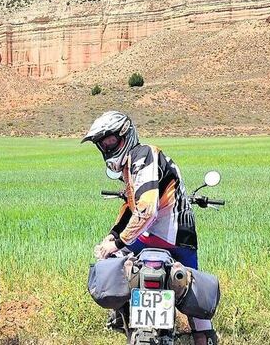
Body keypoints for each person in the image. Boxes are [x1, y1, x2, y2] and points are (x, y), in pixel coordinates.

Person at [81, 111, 218, 345]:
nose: (107, 147)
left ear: (126, 135)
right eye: (103, 143)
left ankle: (119, 315)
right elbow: (131, 206)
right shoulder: (133, 163)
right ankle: (203, 337)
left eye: (111, 140)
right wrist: (113, 236)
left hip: (164, 236)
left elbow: (146, 209)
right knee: (191, 285)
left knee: (115, 261)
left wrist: (116, 242)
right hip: (180, 239)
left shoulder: (143, 155)